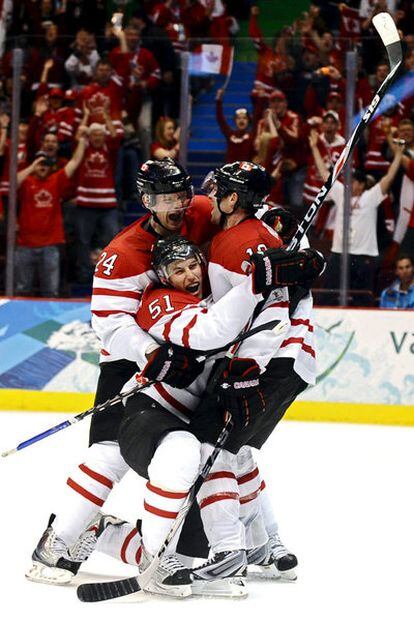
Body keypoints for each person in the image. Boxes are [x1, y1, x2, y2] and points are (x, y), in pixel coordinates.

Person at [25, 158, 219, 585]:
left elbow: (232, 211)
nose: (179, 205)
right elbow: (110, 323)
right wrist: (152, 353)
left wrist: (269, 218)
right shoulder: (122, 253)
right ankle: (63, 538)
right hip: (131, 363)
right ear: (147, 201)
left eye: (182, 195)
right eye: (166, 198)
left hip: (185, 358)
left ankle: (118, 539)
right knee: (109, 453)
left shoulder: (199, 212)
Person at [185, 161, 326, 581]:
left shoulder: (235, 243)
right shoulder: (259, 237)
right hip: (289, 361)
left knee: (208, 450)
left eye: (218, 191)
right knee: (237, 451)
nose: (211, 198)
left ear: (232, 200)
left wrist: (245, 368)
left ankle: (230, 551)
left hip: (270, 363)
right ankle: (266, 544)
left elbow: (269, 315)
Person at [117, 234, 266, 597]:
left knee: (231, 456)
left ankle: (248, 549)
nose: (189, 275)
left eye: (193, 265)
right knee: (183, 450)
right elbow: (208, 333)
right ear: (164, 276)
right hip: (149, 410)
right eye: (178, 270)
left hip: (188, 417)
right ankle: (153, 556)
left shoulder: (215, 299)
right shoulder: (161, 300)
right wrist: (258, 281)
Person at [309, 132, 404, 297]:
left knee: (362, 295)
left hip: (364, 256)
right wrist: (314, 148)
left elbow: (389, 177)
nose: (348, 184)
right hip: (339, 254)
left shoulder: (371, 196)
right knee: (329, 294)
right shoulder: (341, 195)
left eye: (352, 182)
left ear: (361, 184)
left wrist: (398, 155)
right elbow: (325, 174)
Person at [14, 137, 86, 297]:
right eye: (40, 164)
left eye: (46, 165)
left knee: (50, 292)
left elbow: (74, 162)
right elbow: (13, 182)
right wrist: (33, 166)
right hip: (25, 245)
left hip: (50, 245)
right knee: (22, 290)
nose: (42, 167)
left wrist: (82, 140)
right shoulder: (26, 182)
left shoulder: (55, 180)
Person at [215, 88, 255, 163]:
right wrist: (218, 100)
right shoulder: (230, 134)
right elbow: (220, 119)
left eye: (244, 118)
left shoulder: (252, 135)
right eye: (238, 118)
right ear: (235, 121)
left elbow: (257, 115)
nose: (241, 120)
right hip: (231, 172)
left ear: (248, 121)